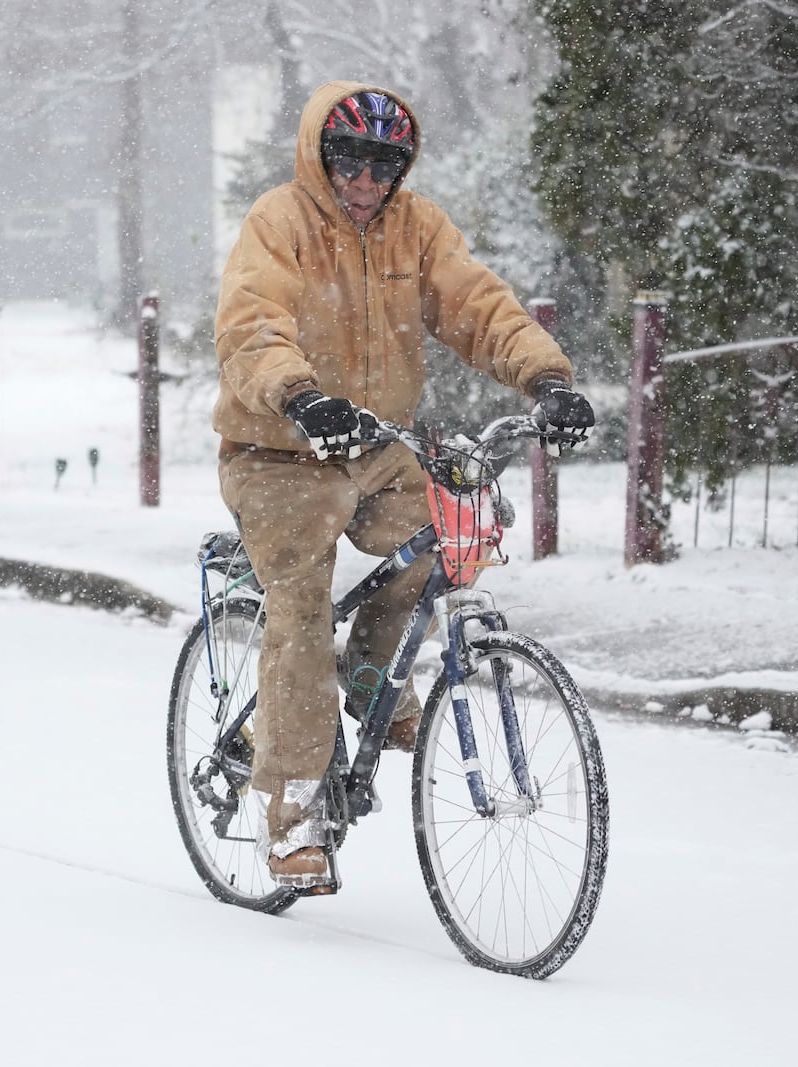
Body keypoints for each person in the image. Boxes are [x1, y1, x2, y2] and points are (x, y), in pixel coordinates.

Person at [212, 80, 595, 888]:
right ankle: (293, 814)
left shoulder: (416, 230)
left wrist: (546, 379)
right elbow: (252, 324)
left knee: (441, 544)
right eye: (347, 159)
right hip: (278, 448)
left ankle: (369, 676)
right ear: (321, 155)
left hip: (376, 445)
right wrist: (300, 396)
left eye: (383, 163)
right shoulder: (279, 223)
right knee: (302, 615)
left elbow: (476, 304)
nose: (364, 179)